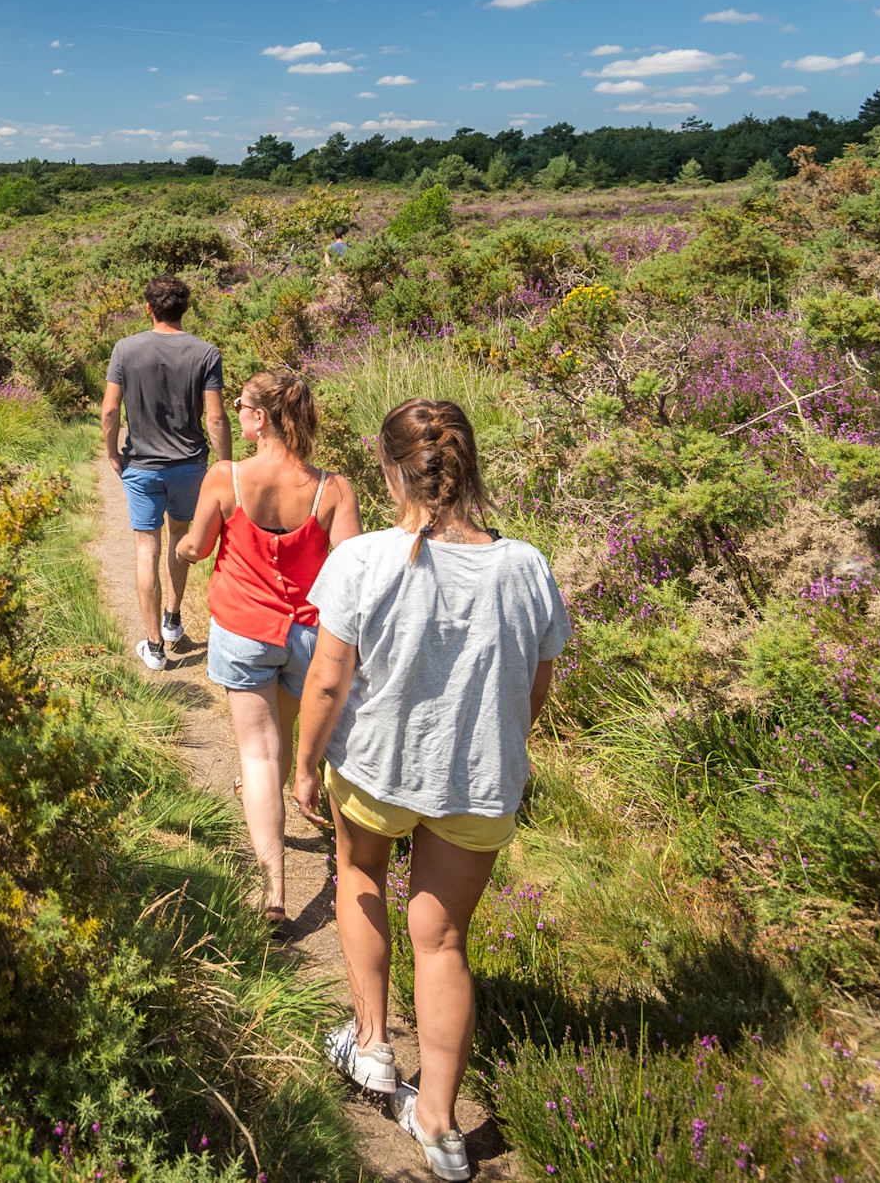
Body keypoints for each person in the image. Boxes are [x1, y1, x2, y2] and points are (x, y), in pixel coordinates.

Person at [290, 398, 571, 1183]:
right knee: (445, 941)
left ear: (390, 471)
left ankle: (373, 1044)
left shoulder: (362, 560)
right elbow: (534, 687)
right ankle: (441, 1124)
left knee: (359, 876)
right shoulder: (526, 566)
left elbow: (327, 679)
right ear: (468, 468)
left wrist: (306, 763)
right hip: (478, 779)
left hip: (378, 764)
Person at [175, 370, 360, 933]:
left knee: (257, 756)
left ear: (259, 419)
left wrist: (182, 545)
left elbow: (197, 546)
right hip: (310, 635)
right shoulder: (335, 489)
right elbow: (352, 574)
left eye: (241, 407)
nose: (235, 413)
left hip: (243, 630)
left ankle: (273, 892)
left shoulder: (226, 477)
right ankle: (325, 848)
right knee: (281, 749)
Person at [100, 275, 230, 672]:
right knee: (180, 537)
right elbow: (217, 419)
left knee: (146, 549)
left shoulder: (125, 349)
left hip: (141, 466)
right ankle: (173, 619)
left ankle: (154, 646)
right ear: (185, 308)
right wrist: (224, 467)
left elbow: (109, 411)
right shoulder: (205, 353)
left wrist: (111, 454)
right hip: (189, 466)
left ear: (149, 308)